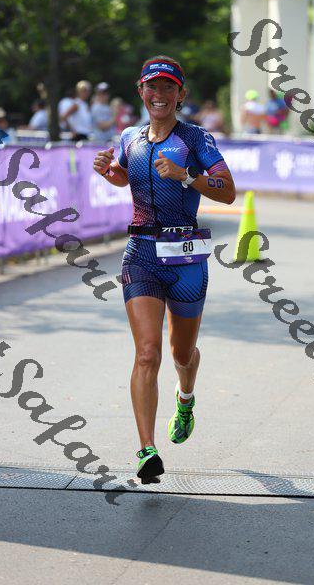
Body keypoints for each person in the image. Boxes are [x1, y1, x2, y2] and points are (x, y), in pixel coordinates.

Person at [93, 55, 236, 484]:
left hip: (185, 258)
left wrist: (186, 175)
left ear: (180, 94)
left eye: (168, 88)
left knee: (181, 354)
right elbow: (126, 175)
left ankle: (185, 397)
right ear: (141, 92)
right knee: (147, 353)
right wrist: (109, 172)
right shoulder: (129, 136)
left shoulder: (196, 138)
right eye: (152, 87)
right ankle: (146, 450)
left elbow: (228, 191)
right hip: (140, 253)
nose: (160, 95)